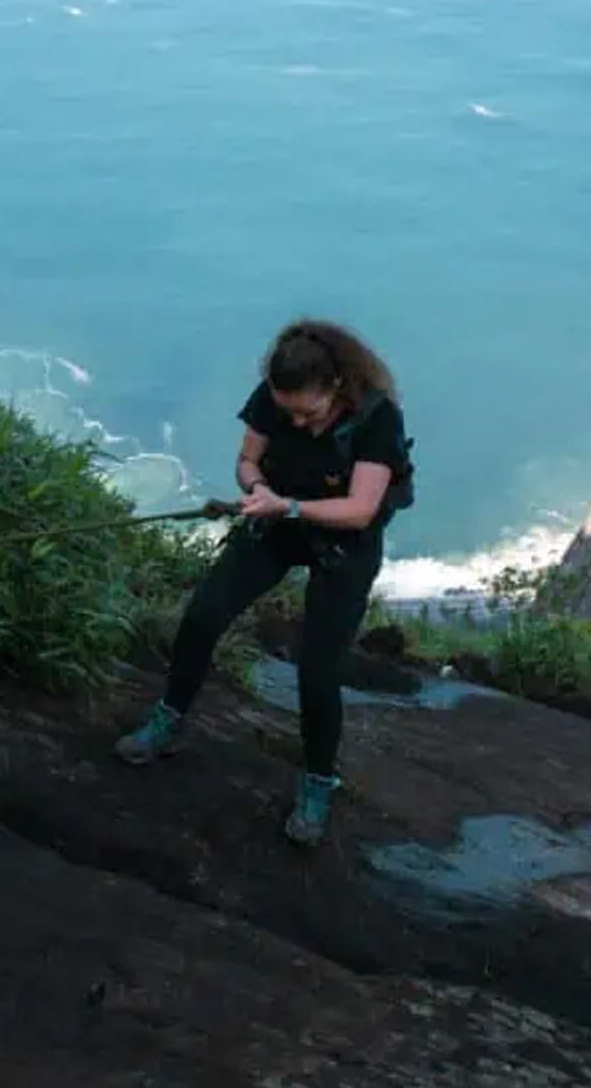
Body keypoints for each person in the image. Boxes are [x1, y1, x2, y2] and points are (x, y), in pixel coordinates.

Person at [115, 319, 411, 847]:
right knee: (205, 613)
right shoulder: (274, 398)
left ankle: (319, 781)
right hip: (277, 521)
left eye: (307, 411)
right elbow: (248, 461)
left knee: (318, 668)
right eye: (287, 409)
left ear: (337, 387)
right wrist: (256, 489)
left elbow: (362, 509)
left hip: (342, 540)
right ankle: (169, 718)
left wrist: (288, 505)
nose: (295, 421)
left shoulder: (376, 417)